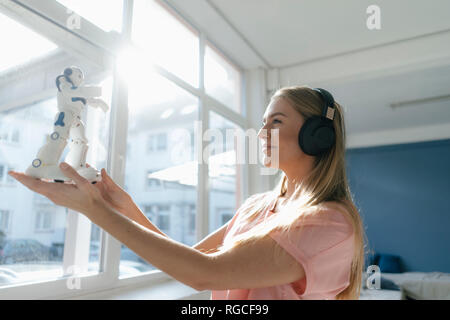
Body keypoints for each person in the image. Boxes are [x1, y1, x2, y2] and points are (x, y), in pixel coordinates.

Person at [8, 85, 366, 300]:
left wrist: (93, 211)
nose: (260, 135)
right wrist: (123, 208)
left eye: (276, 122)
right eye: (262, 123)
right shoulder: (259, 206)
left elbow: (204, 274)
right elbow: (192, 259)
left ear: (317, 136)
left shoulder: (330, 226)